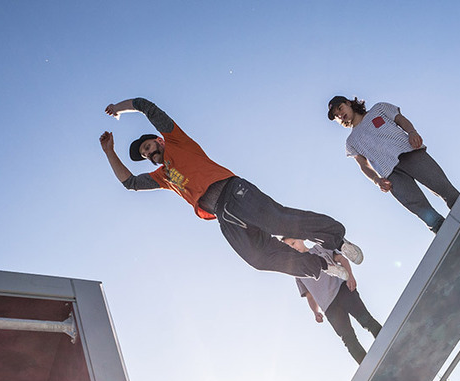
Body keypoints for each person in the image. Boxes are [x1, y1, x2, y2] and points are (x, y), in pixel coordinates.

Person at [101, 97, 363, 280]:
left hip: (234, 192)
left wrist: (120, 109)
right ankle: (320, 266)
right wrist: (109, 152)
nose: (148, 154)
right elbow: (130, 183)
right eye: (145, 154)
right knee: (258, 258)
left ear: (158, 141)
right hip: (223, 216)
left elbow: (146, 105)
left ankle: (337, 239)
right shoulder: (162, 177)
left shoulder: (176, 140)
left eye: (148, 147)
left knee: (277, 221)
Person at [328, 95, 459, 234]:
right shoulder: (351, 142)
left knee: (444, 188)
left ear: (348, 103)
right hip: (392, 175)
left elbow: (400, 119)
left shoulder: (379, 109)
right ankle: (452, 238)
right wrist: (376, 180)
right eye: (337, 116)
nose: (340, 115)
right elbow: (363, 165)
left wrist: (412, 132)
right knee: (423, 211)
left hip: (409, 153)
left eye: (340, 109)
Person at [282, 237, 382, 363]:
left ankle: (387, 340)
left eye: (293, 243)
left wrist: (350, 276)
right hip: (329, 307)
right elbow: (309, 295)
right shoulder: (298, 271)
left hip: (343, 290)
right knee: (348, 338)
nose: (293, 247)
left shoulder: (319, 249)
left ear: (301, 239)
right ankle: (367, 366)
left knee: (366, 319)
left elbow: (341, 259)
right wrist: (315, 312)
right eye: (289, 247)